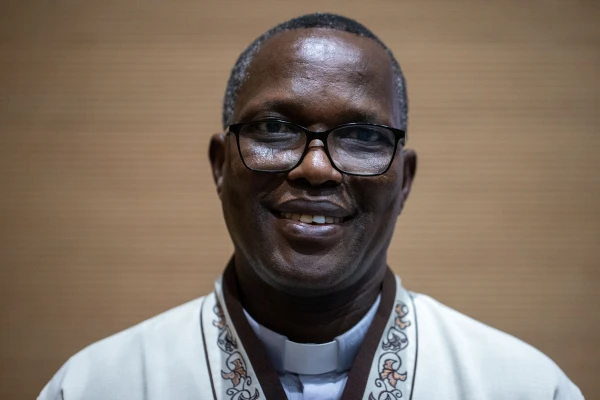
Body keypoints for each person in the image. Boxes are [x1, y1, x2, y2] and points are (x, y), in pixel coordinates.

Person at [38, 13, 584, 400]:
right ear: (219, 165)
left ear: (405, 181)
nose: (316, 169)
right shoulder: (96, 386)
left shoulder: (525, 387)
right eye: (274, 128)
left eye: (363, 136)